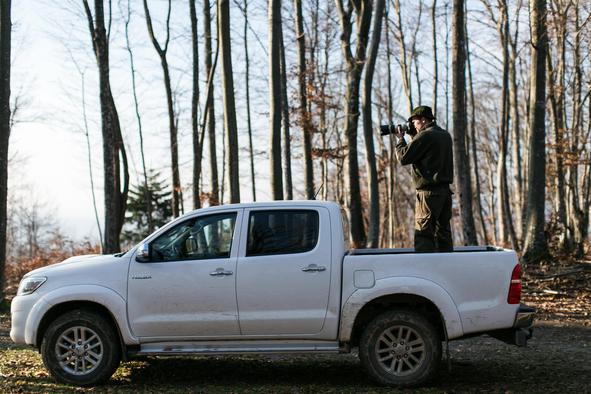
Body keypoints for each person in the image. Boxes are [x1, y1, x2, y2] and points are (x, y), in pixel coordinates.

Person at [394, 105, 454, 253]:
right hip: (445, 194)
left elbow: (403, 157)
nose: (412, 125)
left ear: (423, 120)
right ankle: (447, 267)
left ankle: (425, 270)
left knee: (424, 234)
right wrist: (414, 136)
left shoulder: (426, 136)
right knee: (443, 234)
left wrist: (401, 139)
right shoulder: (445, 135)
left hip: (428, 194)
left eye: (414, 122)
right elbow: (427, 152)